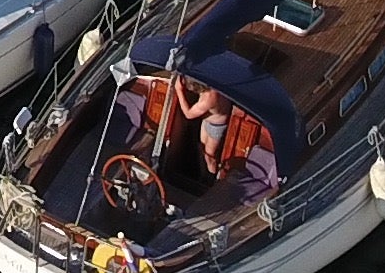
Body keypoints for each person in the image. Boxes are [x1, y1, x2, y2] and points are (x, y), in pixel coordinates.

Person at [113, 67, 280, 208]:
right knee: (201, 148)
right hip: (208, 121)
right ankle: (202, 175)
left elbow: (188, 114)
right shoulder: (212, 88)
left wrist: (179, 90)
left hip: (216, 127)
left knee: (210, 157)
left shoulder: (208, 99)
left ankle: (211, 184)